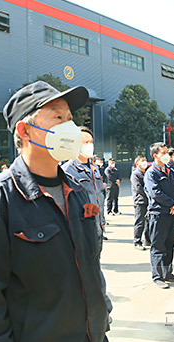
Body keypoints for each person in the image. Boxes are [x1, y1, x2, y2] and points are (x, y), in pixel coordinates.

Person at [0, 81, 108, 342]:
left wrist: (101, 317)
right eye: (58, 117)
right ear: (25, 130)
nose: (70, 129)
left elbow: (90, 266)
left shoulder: (76, 191)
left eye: (70, 119)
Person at [62, 126, 112, 321]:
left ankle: (98, 310)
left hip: (97, 229)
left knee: (94, 269)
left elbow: (101, 196)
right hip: (81, 231)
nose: (88, 145)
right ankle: (101, 309)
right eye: (84, 142)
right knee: (88, 273)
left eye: (90, 142)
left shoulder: (95, 169)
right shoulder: (68, 170)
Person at [144, 142, 174, 289]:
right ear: (155, 156)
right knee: (158, 246)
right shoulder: (151, 173)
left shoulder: (170, 170)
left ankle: (168, 272)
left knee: (169, 244)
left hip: (172, 213)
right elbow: (155, 193)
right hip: (158, 213)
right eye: (163, 152)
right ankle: (158, 276)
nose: (167, 155)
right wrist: (172, 203)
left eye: (167, 152)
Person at [131, 156, 150, 250]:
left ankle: (147, 240)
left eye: (145, 160)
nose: (145, 163)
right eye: (142, 161)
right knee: (140, 221)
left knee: (148, 221)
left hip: (148, 201)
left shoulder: (146, 173)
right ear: (137, 163)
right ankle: (137, 241)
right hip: (140, 201)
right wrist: (149, 194)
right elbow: (139, 188)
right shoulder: (136, 174)